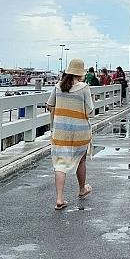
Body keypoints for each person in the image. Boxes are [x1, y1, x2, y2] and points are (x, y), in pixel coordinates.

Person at [46, 58, 93, 210]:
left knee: (60, 163)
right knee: (81, 159)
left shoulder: (58, 86)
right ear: (80, 74)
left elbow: (49, 105)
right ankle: (81, 189)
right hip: (80, 131)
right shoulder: (84, 88)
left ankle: (59, 199)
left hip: (60, 131)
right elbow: (89, 110)